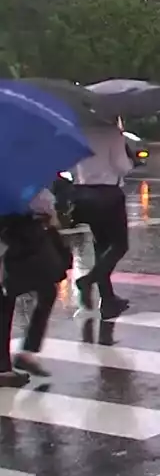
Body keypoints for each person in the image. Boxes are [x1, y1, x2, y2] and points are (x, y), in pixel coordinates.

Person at [0, 189, 69, 383]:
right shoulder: (23, 181)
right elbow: (45, 203)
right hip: (17, 241)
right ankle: (18, 358)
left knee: (10, 300)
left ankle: (13, 360)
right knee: (43, 291)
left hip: (11, 240)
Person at [71, 124, 134, 319]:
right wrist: (131, 162)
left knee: (102, 247)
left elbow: (71, 166)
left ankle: (108, 299)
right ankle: (88, 281)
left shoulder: (79, 131)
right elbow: (121, 166)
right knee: (119, 245)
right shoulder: (112, 133)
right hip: (109, 195)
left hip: (83, 194)